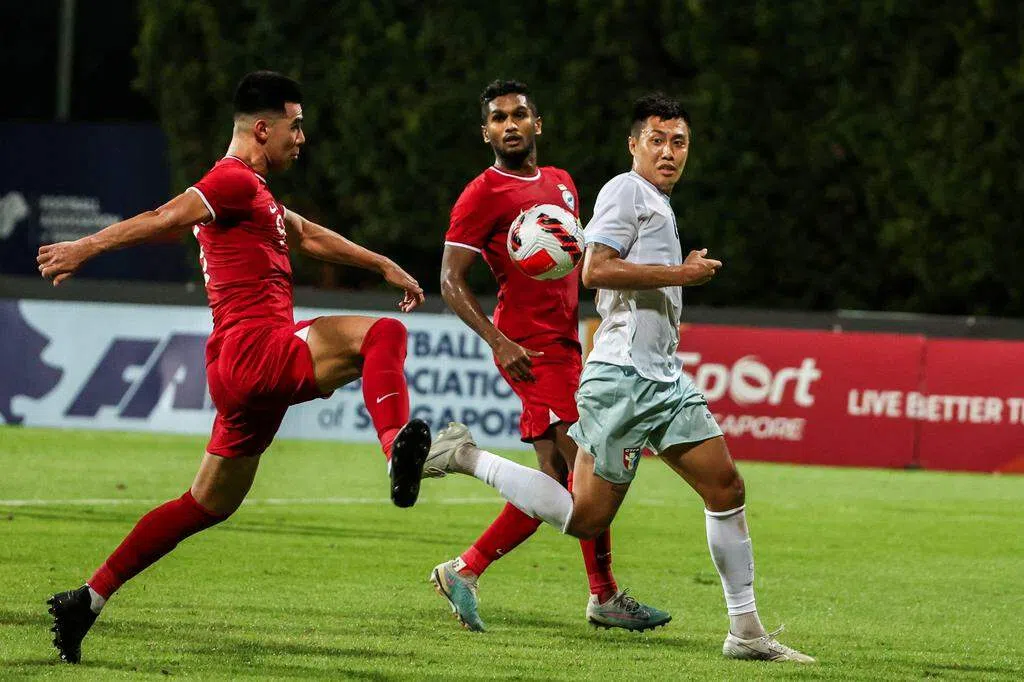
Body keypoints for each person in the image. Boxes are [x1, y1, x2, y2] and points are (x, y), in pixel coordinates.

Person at [37, 71, 432, 664]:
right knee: (384, 335)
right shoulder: (229, 179)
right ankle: (394, 446)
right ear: (263, 129)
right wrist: (84, 248)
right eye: (296, 126)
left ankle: (87, 600)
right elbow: (165, 217)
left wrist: (381, 264)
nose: (302, 138)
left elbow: (306, 234)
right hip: (256, 349)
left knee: (206, 504)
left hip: (236, 370)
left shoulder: (257, 195)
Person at [423, 92, 815, 662]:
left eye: (678, 142)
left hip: (662, 378)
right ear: (634, 145)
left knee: (725, 488)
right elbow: (596, 268)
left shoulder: (640, 198)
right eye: (657, 140)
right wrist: (681, 273)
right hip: (622, 378)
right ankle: (465, 458)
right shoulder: (625, 190)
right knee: (583, 515)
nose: (669, 152)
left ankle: (746, 633)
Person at [431, 80, 667, 632]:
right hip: (527, 348)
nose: (509, 125)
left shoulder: (562, 183)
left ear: (537, 124)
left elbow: (575, 268)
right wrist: (498, 341)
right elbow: (449, 280)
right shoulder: (481, 194)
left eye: (519, 115)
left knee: (557, 480)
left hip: (565, 344)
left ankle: (464, 570)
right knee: (592, 468)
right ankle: (604, 594)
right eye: (497, 118)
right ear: (485, 132)